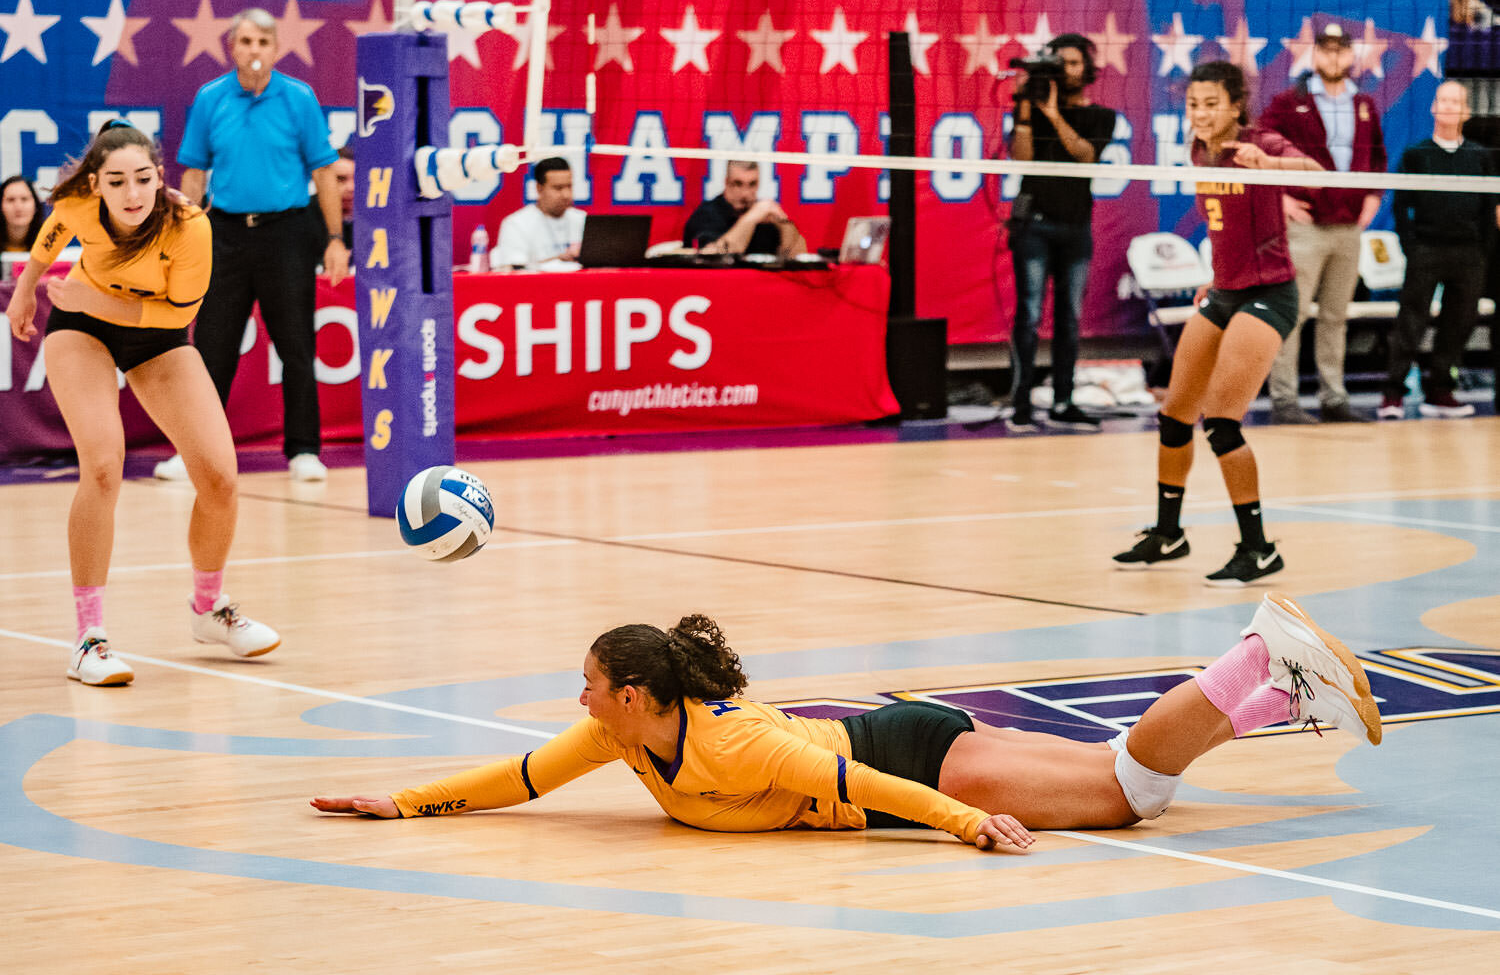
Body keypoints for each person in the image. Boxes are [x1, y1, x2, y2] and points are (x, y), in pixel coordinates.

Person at [312, 592, 1381, 850]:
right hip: (901, 740)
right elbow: (520, 776)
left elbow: (864, 789)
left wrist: (966, 824)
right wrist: (403, 801)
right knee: (1122, 777)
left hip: (907, 756)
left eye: (589, 684)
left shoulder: (730, 739)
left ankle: (1255, 655)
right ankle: (1280, 688)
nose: (577, 700)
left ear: (636, 693)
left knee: (1123, 795)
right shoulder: (620, 735)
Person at [4, 121, 280, 686]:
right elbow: (56, 227)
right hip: (80, 326)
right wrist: (29, 285)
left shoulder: (191, 228)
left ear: (160, 177)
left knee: (220, 478)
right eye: (116, 181)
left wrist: (95, 296)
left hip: (157, 333)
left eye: (143, 178)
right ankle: (89, 639)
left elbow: (178, 317)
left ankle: (208, 609)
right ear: (96, 184)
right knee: (103, 467)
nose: (132, 194)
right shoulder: (79, 202)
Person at [1113, 62, 1320, 586]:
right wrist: (1214, 276)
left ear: (1235, 105)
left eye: (1211, 104)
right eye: (1193, 105)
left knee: (1222, 424)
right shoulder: (1198, 150)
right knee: (1174, 415)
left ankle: (1259, 548)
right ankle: (1168, 534)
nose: (1201, 113)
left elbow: (1317, 173)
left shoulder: (1261, 140)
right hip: (1224, 291)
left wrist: (1269, 165)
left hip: (1270, 294)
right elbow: (1225, 228)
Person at [153, 7, 349, 485]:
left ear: (276, 48)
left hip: (288, 233)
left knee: (297, 345)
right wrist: (182, 237)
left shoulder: (299, 98)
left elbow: (324, 172)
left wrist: (335, 240)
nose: (254, 51)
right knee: (211, 347)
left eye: (263, 42)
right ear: (232, 48)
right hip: (224, 234)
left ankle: (304, 449)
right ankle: (194, 451)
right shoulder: (210, 99)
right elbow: (195, 174)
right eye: (245, 42)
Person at [1259, 22, 1386, 425]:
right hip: (1306, 226)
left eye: (1341, 50)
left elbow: (1378, 157)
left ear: (1351, 56)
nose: (1333, 57)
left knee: (1335, 316)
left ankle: (1334, 398)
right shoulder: (1288, 101)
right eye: (1326, 50)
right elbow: (1256, 148)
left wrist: (1372, 198)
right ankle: (1285, 400)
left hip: (1348, 227)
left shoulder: (1363, 103)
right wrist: (1279, 199)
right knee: (1292, 315)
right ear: (1314, 54)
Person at [1005, 34, 1119, 432]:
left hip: (1075, 227)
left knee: (1069, 319)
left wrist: (1054, 115)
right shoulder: (1031, 108)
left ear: (1087, 69)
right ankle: (1019, 403)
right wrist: (1025, 109)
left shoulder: (1102, 116)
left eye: (1074, 63)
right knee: (1030, 314)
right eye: (1060, 62)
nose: (1067, 70)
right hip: (1033, 224)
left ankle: (1063, 401)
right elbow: (1022, 159)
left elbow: (1087, 156)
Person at [1378, 81, 1500, 421]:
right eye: (1442, 99)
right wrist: (1412, 246)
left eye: (1454, 101)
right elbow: (1401, 206)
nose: (1447, 106)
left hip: (1469, 254)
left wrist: (1482, 250)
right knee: (1411, 322)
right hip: (1427, 251)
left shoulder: (1479, 156)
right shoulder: (1417, 154)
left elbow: (1490, 206)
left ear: (1466, 112)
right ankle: (1393, 394)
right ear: (1433, 107)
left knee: (1458, 324)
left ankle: (1441, 391)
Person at [682, 160, 806, 258]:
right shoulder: (707, 214)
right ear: (726, 182)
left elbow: (798, 258)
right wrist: (751, 218)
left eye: (752, 184)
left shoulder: (765, 216)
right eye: (738, 184)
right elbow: (713, 257)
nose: (745, 193)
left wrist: (783, 224)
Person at [490, 156, 586, 270]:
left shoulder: (583, 219)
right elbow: (514, 269)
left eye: (569, 186)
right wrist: (558, 259)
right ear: (539, 188)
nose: (566, 195)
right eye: (558, 188)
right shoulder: (516, 224)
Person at [3, 175, 47, 254]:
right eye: (11, 200)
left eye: (24, 199)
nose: (18, 207)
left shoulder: (49, 244)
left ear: (36, 205)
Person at [333, 146, 355, 251]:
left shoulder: (376, 224)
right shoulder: (300, 223)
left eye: (357, 179)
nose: (351, 188)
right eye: (341, 179)